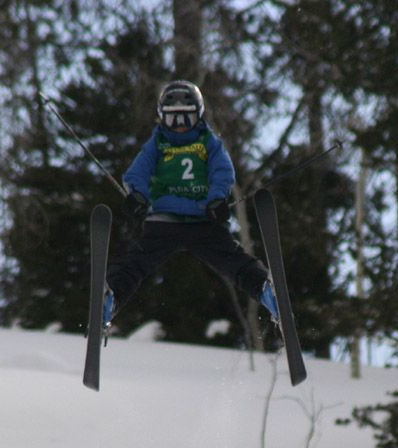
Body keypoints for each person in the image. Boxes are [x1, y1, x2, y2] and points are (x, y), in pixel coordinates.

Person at [103, 79, 277, 329]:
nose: (180, 126)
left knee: (233, 260)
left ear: (198, 116)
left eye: (186, 118)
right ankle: (109, 300)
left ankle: (267, 293)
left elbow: (222, 172)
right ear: (162, 118)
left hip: (203, 221)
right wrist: (138, 196)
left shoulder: (209, 142)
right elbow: (136, 173)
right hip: (164, 221)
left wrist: (217, 199)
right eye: (173, 119)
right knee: (136, 262)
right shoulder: (157, 143)